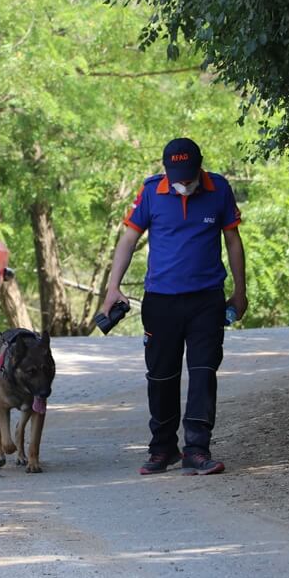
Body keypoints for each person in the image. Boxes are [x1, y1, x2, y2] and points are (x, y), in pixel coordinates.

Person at [101, 137, 246, 476]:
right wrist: (112, 287)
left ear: (200, 167)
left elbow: (233, 242)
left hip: (206, 300)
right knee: (161, 376)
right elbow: (128, 239)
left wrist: (240, 292)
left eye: (188, 176)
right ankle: (163, 448)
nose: (182, 183)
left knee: (202, 373)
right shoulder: (152, 192)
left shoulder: (219, 189)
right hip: (161, 301)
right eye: (176, 176)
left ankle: (197, 449)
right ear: (166, 170)